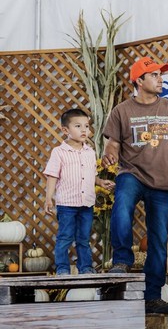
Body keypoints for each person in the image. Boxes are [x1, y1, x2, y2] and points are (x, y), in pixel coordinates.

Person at [101, 56, 168, 315]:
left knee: (157, 239)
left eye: (160, 75)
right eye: (154, 75)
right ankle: (121, 260)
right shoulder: (122, 110)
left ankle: (152, 296)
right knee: (121, 208)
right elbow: (113, 143)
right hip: (131, 173)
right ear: (139, 80)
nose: (160, 79)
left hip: (163, 182)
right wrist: (109, 152)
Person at [44, 108, 115, 276]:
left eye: (87, 126)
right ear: (65, 130)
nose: (84, 130)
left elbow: (92, 175)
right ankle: (62, 268)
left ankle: (86, 268)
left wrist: (100, 182)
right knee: (65, 238)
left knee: (83, 239)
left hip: (86, 203)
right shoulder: (59, 152)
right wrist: (48, 199)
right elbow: (52, 176)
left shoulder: (89, 152)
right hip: (67, 204)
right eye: (78, 126)